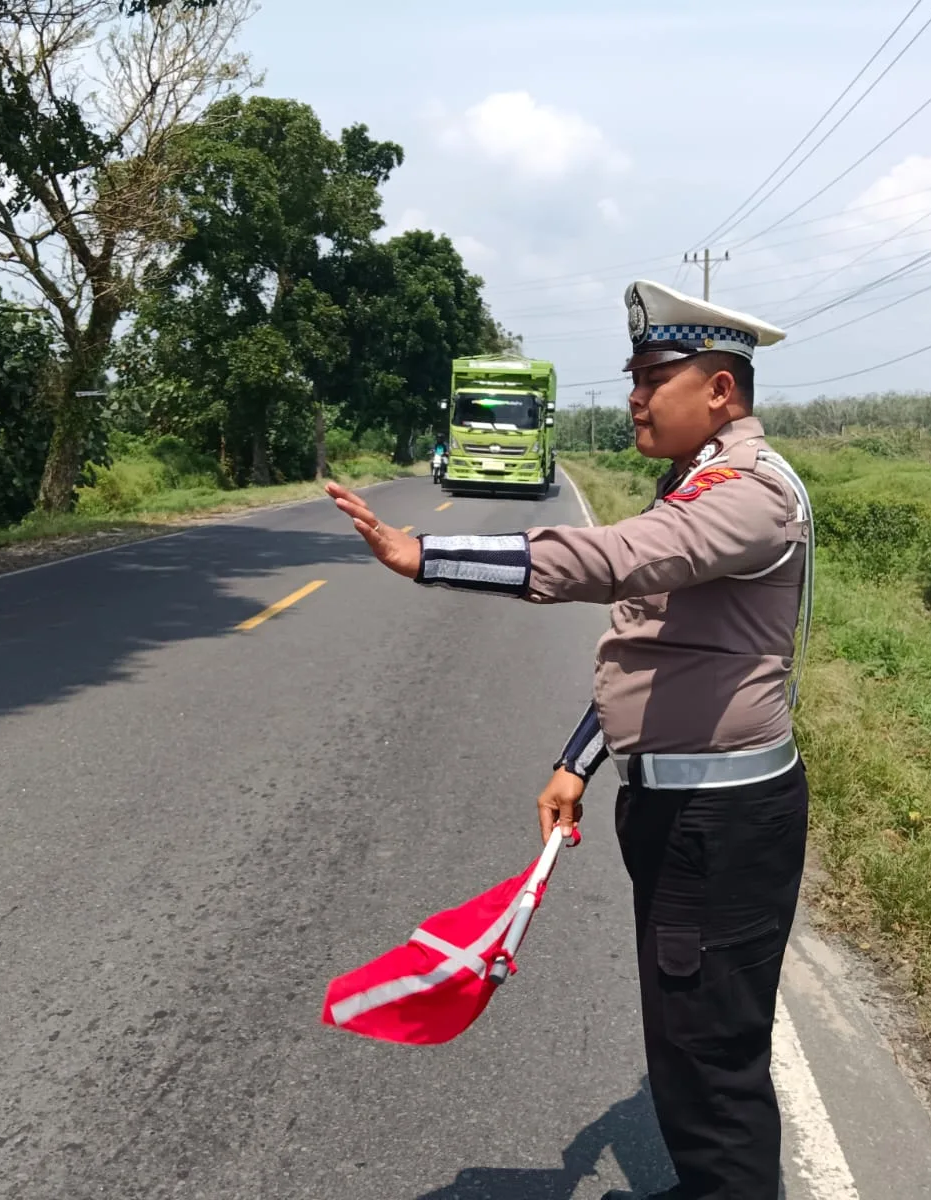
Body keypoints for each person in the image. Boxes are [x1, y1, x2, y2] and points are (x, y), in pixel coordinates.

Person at [326, 278, 814, 1200]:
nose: (633, 393)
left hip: (722, 818)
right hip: (677, 804)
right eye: (633, 375)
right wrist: (578, 758)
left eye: (651, 375)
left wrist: (425, 554)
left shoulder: (749, 495)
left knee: (714, 1055)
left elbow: (612, 561)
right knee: (681, 1035)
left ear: (720, 390)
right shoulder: (697, 485)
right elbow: (652, 645)